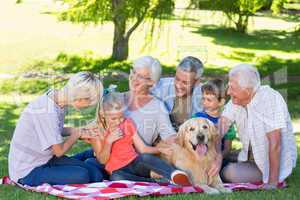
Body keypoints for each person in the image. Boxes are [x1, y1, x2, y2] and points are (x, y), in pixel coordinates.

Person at [8, 72, 105, 186]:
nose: (89, 106)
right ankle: (82, 160)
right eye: (90, 103)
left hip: (47, 160)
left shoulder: (56, 99)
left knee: (96, 175)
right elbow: (58, 151)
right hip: (28, 171)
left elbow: (54, 129)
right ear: (81, 98)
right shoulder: (47, 111)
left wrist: (80, 130)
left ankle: (83, 159)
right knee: (83, 175)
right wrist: (76, 135)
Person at [219, 64, 297, 189]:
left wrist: (272, 183)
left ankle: (271, 177)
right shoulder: (237, 100)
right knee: (222, 158)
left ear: (247, 91)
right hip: (249, 155)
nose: (228, 92)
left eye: (232, 88)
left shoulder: (271, 100)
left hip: (266, 165)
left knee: (228, 172)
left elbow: (275, 145)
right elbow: (220, 129)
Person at [89, 92, 192, 186]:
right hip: (118, 170)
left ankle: (174, 174)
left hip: (135, 162)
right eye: (113, 119)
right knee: (116, 178)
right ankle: (156, 182)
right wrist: (108, 141)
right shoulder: (98, 132)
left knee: (145, 157)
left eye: (121, 117)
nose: (118, 122)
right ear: (103, 115)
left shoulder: (127, 123)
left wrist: (159, 150)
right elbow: (102, 160)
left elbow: (142, 148)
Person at [151, 56, 204, 131]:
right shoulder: (160, 87)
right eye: (177, 79)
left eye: (185, 82)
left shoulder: (205, 96)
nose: (178, 85)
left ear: (197, 82)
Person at [192, 79, 236, 164]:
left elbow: (227, 149)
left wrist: (217, 159)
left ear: (221, 102)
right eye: (203, 99)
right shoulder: (197, 117)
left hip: (218, 160)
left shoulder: (226, 122)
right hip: (197, 158)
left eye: (209, 100)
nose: (204, 103)